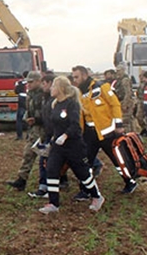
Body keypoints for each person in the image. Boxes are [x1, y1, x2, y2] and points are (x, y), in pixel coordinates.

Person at [38, 76, 105, 214]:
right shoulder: (54, 104)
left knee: (82, 173)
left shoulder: (72, 104)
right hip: (58, 146)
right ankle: (53, 203)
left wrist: (66, 135)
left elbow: (76, 126)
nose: (51, 89)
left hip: (73, 146)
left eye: (53, 86)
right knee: (51, 169)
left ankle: (97, 196)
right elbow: (54, 126)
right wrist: (50, 140)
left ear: (61, 88)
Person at [72, 65, 137, 197]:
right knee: (86, 162)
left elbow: (115, 104)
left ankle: (130, 181)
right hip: (90, 133)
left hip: (107, 133)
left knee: (118, 160)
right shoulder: (79, 92)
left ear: (84, 75)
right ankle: (86, 190)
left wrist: (119, 124)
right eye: (73, 77)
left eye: (76, 77)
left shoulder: (102, 87)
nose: (74, 80)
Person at [6, 71, 46, 190]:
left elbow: (47, 113)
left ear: (39, 81)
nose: (28, 84)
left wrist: (37, 120)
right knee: (28, 154)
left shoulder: (44, 94)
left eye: (31, 82)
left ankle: (53, 181)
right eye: (27, 82)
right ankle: (21, 180)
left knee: (45, 158)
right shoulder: (30, 94)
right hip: (33, 129)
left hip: (44, 130)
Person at [113, 63, 136, 133]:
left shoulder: (125, 80)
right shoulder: (119, 80)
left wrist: (125, 104)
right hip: (122, 101)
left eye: (119, 71)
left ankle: (129, 134)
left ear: (123, 70)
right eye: (117, 71)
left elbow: (128, 93)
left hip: (126, 102)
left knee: (126, 121)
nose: (117, 72)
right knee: (129, 120)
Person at [14, 71, 28, 140]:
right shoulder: (31, 82)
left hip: (21, 99)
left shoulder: (19, 83)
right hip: (29, 99)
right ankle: (28, 135)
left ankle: (19, 136)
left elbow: (16, 91)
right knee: (29, 118)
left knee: (19, 118)